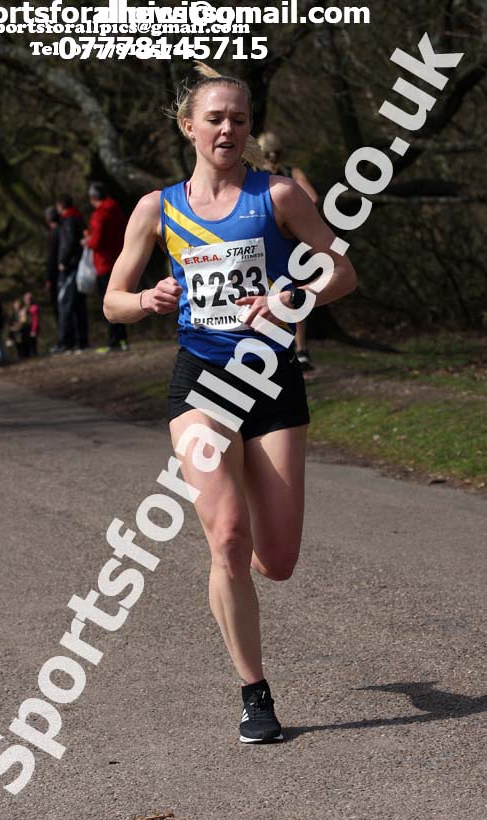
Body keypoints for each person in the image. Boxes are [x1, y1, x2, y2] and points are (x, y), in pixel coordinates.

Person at [103, 67, 356, 743]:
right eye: (213, 118)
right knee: (227, 537)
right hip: (202, 385)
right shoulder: (157, 208)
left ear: (249, 129)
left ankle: (236, 567)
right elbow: (112, 301)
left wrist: (288, 299)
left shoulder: (275, 195)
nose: (227, 129)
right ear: (187, 126)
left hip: (270, 383)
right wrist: (146, 301)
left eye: (238, 119)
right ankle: (254, 693)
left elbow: (340, 268)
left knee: (275, 561)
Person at [258, 131, 318, 371]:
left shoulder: (255, 177)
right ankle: (300, 349)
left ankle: (282, 348)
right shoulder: (291, 173)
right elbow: (312, 199)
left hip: (268, 242)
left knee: (272, 292)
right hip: (292, 240)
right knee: (295, 293)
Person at [84, 181, 128, 353]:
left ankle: (113, 340)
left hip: (104, 263)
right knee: (121, 299)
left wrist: (88, 240)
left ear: (93, 198)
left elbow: (97, 241)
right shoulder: (116, 210)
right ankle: (123, 338)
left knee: (108, 303)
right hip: (119, 259)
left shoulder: (99, 214)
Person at [53, 194, 89, 354]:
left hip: (70, 268)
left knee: (66, 304)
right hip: (78, 265)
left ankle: (66, 342)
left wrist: (62, 261)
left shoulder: (68, 221)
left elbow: (68, 242)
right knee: (79, 306)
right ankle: (82, 340)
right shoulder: (80, 219)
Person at [44, 206, 60, 327]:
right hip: (62, 272)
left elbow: (51, 258)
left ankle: (65, 339)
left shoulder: (53, 234)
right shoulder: (62, 230)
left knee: (58, 306)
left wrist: (49, 278)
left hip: (56, 275)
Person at [23, 292, 40, 356]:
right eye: (26, 299)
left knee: (33, 344)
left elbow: (36, 320)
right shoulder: (25, 308)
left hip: (32, 328)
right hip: (26, 329)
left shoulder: (34, 307)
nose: (27, 300)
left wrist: (34, 330)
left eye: (29, 299)